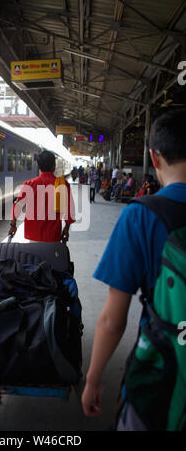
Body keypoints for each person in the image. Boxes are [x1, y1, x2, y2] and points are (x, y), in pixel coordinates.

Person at [81, 108, 186, 430]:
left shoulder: (140, 216)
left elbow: (113, 319)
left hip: (164, 377)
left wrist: (94, 379)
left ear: (154, 158)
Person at [9, 150, 75, 242]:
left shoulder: (29, 184)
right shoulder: (62, 185)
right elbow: (69, 210)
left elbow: (17, 205)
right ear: (54, 166)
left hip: (33, 235)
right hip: (53, 236)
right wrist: (66, 229)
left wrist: (13, 225)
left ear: (39, 167)